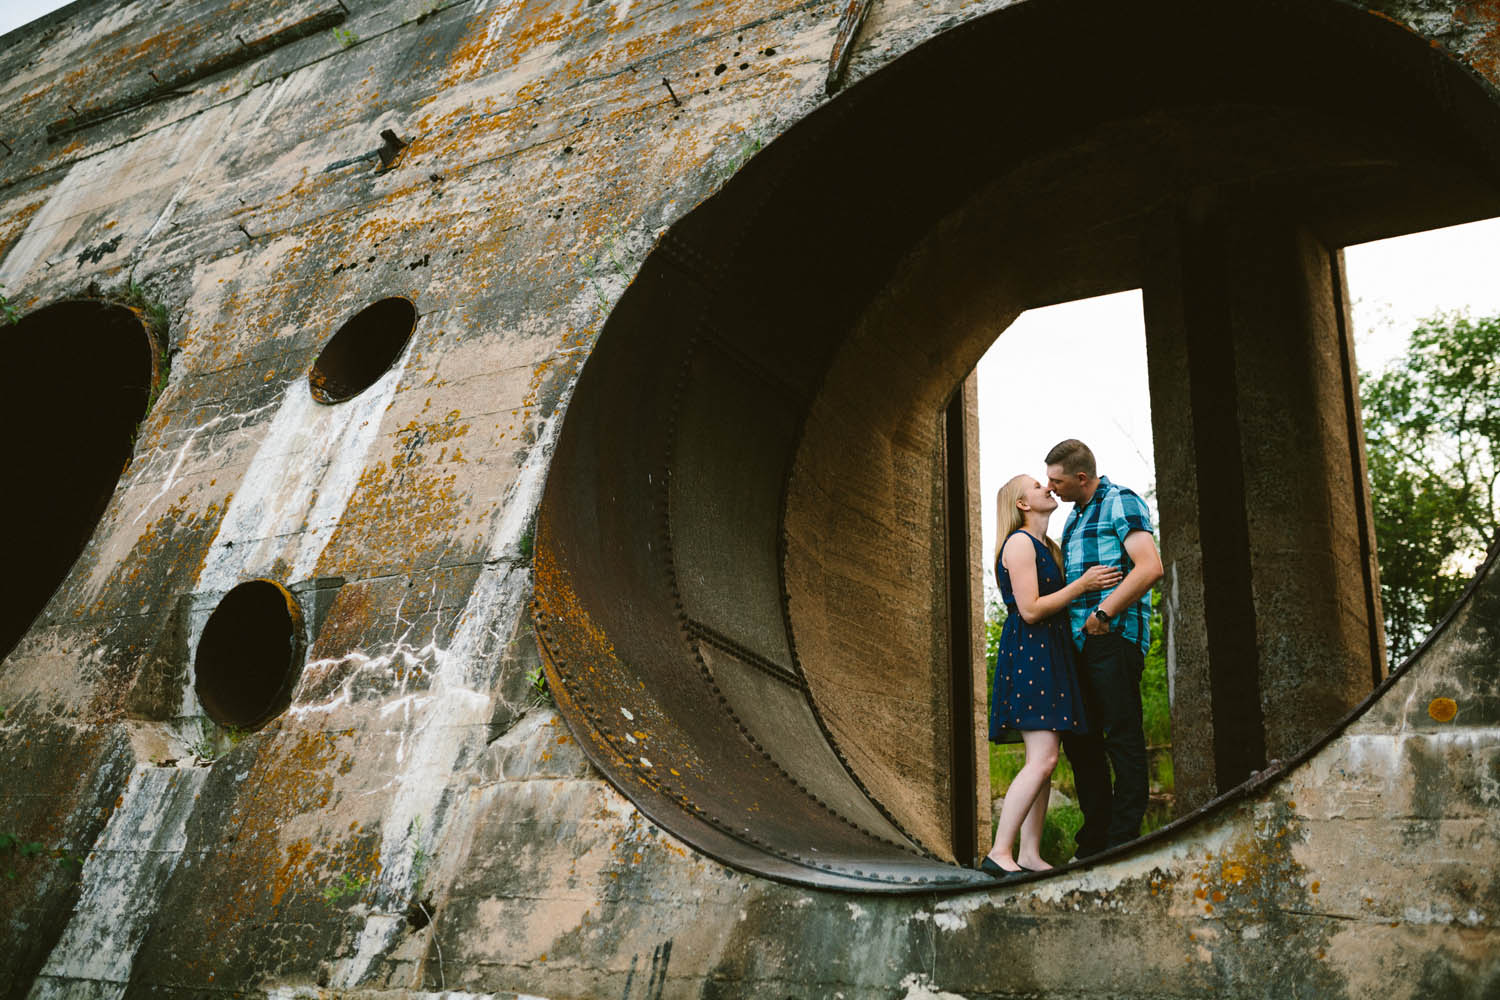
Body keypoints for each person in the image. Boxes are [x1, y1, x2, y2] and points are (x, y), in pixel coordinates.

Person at [981, 474, 1121, 879]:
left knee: (1042, 760)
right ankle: (999, 852)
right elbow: (1030, 610)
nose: (1047, 488)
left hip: (1050, 654)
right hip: (1030, 653)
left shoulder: (1048, 546)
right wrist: (1083, 584)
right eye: (1038, 485)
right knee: (1043, 759)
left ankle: (1028, 853)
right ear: (1022, 504)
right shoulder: (1021, 542)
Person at [1045, 438, 1163, 858]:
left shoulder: (1119, 501)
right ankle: (1095, 841)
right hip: (1080, 647)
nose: (1050, 487)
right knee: (1082, 742)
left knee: (1121, 738)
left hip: (1112, 639)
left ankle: (1124, 840)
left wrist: (1105, 614)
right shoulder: (1075, 519)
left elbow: (1150, 566)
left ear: (1080, 477)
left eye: (1056, 481)